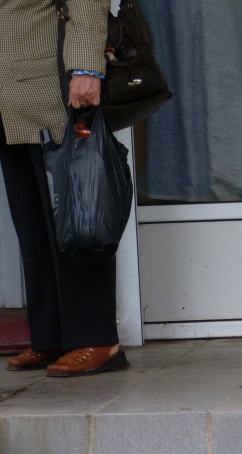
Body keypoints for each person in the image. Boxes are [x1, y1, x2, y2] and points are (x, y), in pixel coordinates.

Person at [0, 0, 129, 377]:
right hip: (10, 93)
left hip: (51, 83)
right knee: (33, 223)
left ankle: (98, 338)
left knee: (79, 213)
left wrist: (87, 67)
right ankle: (51, 336)